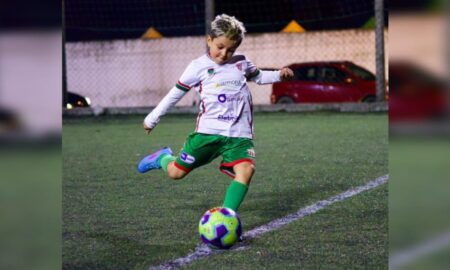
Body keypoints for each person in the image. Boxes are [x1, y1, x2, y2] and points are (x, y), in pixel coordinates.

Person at [138, 14, 293, 212]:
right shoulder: (197, 67)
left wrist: (279, 75)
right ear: (209, 40)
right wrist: (152, 119)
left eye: (231, 49)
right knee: (176, 173)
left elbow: (259, 76)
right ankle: (162, 158)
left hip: (239, 135)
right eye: (220, 46)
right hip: (208, 133)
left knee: (246, 170)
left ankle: (228, 216)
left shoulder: (242, 63)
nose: (224, 53)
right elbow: (174, 95)